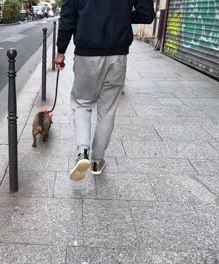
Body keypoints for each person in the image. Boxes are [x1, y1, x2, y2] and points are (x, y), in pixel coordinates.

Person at [55, 0, 155, 181]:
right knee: (107, 110)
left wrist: (61, 50)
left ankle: (82, 152)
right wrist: (122, 16)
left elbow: (68, 17)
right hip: (118, 54)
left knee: (82, 104)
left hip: (86, 54)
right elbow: (147, 15)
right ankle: (97, 161)